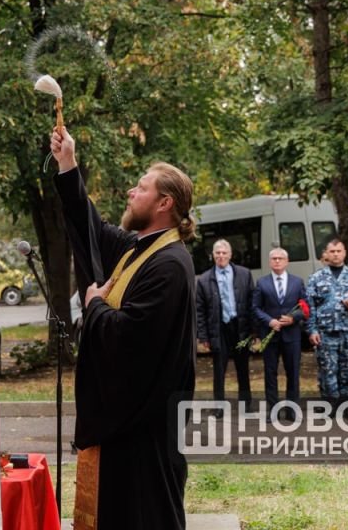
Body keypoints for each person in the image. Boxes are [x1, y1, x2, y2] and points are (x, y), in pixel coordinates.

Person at [50, 126, 195, 530]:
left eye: (141, 187)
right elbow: (90, 228)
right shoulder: (140, 249)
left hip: (145, 432)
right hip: (127, 427)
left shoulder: (169, 265)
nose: (131, 193)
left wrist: (94, 305)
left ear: (164, 202)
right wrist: (68, 163)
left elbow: (131, 338)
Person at [306, 240, 348, 418]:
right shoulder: (316, 278)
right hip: (326, 332)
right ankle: (330, 404)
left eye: (339, 251)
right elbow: (310, 307)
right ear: (325, 254)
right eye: (332, 251)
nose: (335, 254)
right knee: (327, 369)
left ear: (344, 253)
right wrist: (312, 330)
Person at [195, 239, 254, 406]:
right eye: (217, 253)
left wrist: (254, 331)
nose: (221, 256)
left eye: (224, 253)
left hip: (240, 327)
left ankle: (246, 404)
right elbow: (200, 311)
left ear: (230, 255)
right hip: (218, 329)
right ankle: (219, 407)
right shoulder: (204, 279)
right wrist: (203, 336)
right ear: (212, 255)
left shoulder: (244, 274)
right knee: (219, 371)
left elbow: (252, 303)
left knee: (243, 368)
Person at [253, 247, 307, 422]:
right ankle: (273, 410)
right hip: (270, 334)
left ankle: (292, 410)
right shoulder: (262, 283)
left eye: (280, 258)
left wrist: (293, 318)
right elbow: (255, 308)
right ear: (270, 262)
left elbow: (305, 307)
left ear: (287, 261)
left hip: (292, 335)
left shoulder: (297, 282)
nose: (277, 261)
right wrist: (269, 320)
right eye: (274, 258)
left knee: (293, 372)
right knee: (270, 373)